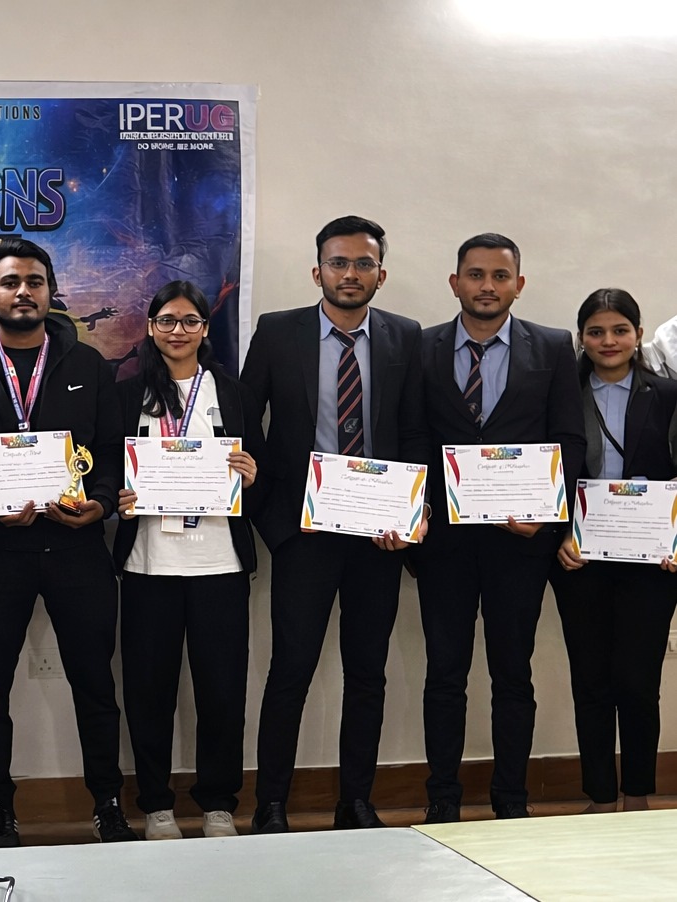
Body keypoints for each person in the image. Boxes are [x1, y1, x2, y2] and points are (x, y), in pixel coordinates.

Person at [0, 239, 135, 847]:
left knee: (96, 685)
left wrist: (101, 503)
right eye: (10, 282)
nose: (24, 292)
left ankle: (108, 804)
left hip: (77, 550)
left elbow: (111, 450)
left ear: (51, 292)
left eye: (35, 282)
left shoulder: (88, 365)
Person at [240, 216, 427, 834]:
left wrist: (415, 510)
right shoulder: (277, 331)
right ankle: (271, 804)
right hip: (304, 534)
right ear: (317, 270)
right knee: (290, 670)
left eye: (363, 263)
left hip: (379, 536)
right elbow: (246, 419)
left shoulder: (405, 336)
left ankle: (356, 801)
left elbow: (415, 430)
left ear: (381, 273)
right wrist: (272, 516)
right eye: (339, 263)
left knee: (367, 673)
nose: (351, 274)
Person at [413, 233, 585, 822]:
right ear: (455, 282)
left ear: (519, 284)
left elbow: (569, 438)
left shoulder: (554, 346)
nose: (487, 286)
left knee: (513, 675)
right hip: (445, 545)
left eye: (500, 275)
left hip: (521, 546)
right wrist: (413, 512)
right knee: (445, 675)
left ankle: (512, 799)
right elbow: (413, 437)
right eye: (476, 274)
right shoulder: (422, 346)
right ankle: (442, 799)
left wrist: (549, 515)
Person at [114, 280, 262, 840]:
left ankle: (218, 803)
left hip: (219, 564)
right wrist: (118, 497)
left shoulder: (232, 391)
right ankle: (156, 805)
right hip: (148, 564)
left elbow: (263, 462)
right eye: (167, 321)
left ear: (205, 329)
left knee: (221, 692)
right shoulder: (127, 392)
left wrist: (251, 473)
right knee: (148, 693)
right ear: (151, 328)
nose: (179, 331)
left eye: (190, 321)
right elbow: (103, 467)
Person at [549, 289, 677, 814]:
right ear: (581, 337)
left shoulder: (668, 394)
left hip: (652, 564)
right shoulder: (561, 394)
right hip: (579, 559)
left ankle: (639, 795)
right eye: (596, 331)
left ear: (639, 334)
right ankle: (601, 797)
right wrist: (559, 535)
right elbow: (546, 471)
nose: (608, 341)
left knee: (639, 683)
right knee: (591, 682)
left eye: (620, 330)